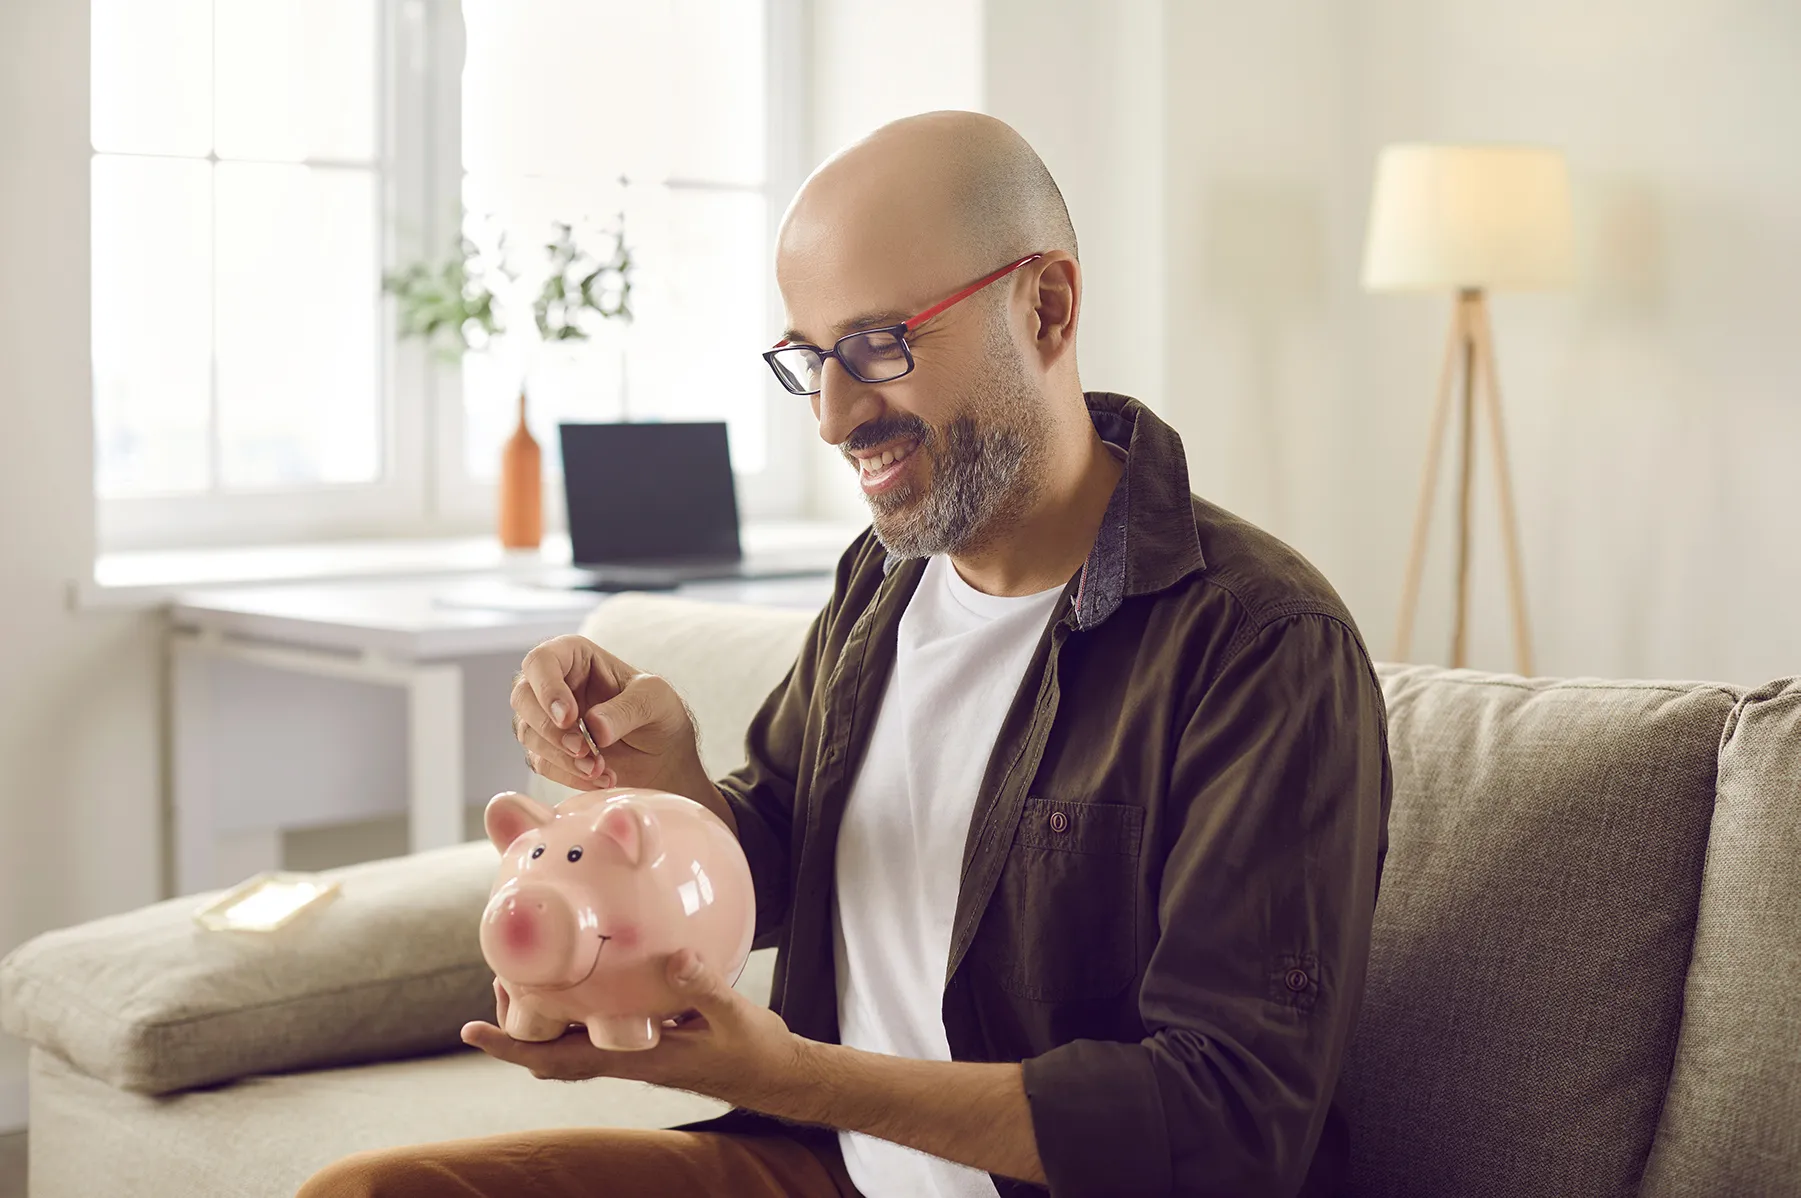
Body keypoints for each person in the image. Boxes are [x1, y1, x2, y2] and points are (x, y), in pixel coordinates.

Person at [299, 110, 1392, 1198]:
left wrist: (802, 1076)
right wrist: (670, 779)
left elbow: (1228, 1128)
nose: (830, 417)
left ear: (1046, 308)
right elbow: (780, 856)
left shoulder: (1260, 646)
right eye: (809, 358)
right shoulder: (884, 580)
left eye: (878, 346)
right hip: (824, 1171)